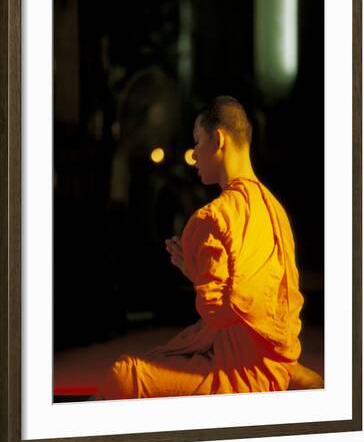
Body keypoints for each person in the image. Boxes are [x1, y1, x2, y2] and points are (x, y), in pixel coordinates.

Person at [98, 96, 323, 399]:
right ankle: (286, 376)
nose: (193, 155)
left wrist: (197, 273)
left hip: (241, 371)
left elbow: (218, 313)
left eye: (197, 142)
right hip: (275, 359)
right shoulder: (275, 209)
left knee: (122, 375)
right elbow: (255, 303)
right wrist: (198, 271)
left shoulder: (212, 218)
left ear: (217, 140)